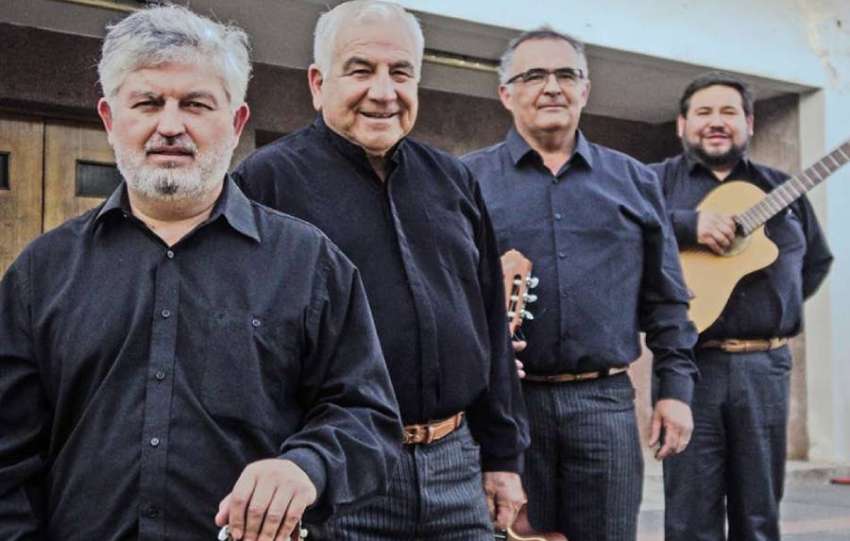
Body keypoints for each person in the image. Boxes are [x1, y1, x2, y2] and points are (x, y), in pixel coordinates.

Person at [0, 6, 403, 540]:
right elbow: (8, 459)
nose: (170, 126)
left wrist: (307, 466)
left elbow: (368, 417)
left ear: (235, 123)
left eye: (195, 104)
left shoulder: (310, 264)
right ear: (110, 118)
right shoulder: (41, 273)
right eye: (148, 103)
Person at [232, 1, 529, 539]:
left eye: (401, 72)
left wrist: (503, 458)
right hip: (339, 476)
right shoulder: (266, 183)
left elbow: (490, 323)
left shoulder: (454, 181)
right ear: (318, 83)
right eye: (361, 70)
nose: (384, 92)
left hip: (456, 468)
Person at [462, 28, 699, 541]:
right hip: (507, 407)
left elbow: (667, 300)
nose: (552, 87)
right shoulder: (465, 181)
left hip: (605, 403)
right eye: (533, 76)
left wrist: (675, 392)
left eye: (565, 75)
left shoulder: (635, 181)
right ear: (506, 93)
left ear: (585, 90)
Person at [649, 72, 833, 541]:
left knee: (759, 514)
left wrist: (773, 311)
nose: (717, 122)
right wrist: (687, 226)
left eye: (729, 112)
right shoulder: (654, 184)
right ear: (682, 124)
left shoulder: (783, 189)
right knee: (690, 517)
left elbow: (815, 262)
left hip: (765, 366)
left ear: (749, 123)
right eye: (704, 112)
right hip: (688, 366)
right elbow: (622, 236)